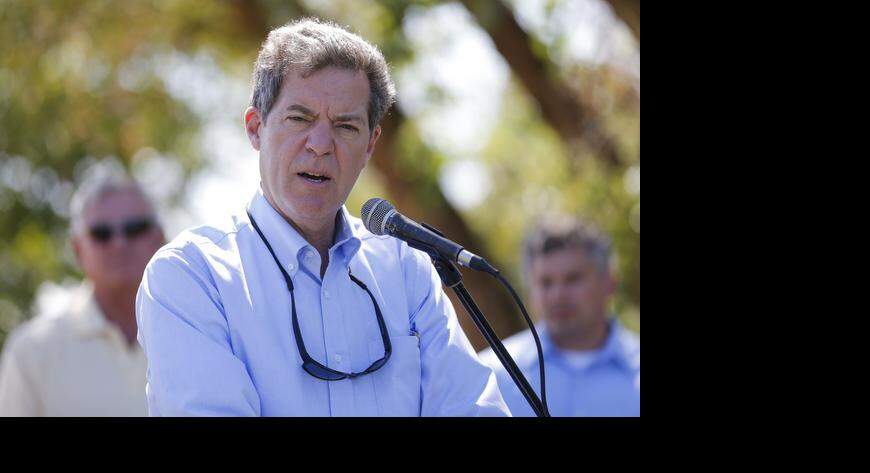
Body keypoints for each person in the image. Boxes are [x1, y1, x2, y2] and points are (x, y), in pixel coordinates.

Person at [135, 17, 507, 416]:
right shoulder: (191, 274)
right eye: (300, 118)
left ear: (370, 146)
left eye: (345, 126)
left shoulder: (405, 267)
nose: (320, 145)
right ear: (256, 128)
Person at [0, 168, 167, 416]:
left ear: (160, 239)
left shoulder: (202, 332)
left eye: (135, 228)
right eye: (101, 233)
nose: (119, 243)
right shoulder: (31, 352)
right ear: (78, 249)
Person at [479, 217, 639, 417]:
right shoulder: (490, 377)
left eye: (573, 279)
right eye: (546, 282)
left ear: (609, 283)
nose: (558, 295)